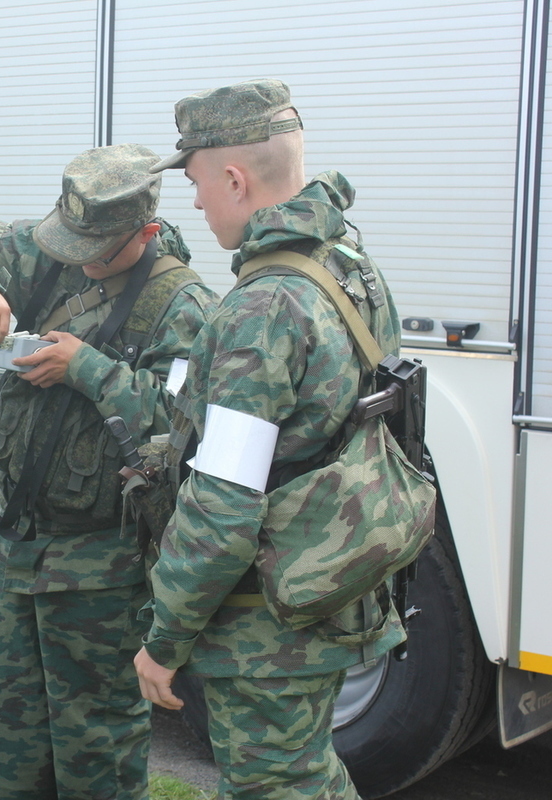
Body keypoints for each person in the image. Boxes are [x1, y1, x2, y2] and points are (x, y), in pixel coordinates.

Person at [133, 79, 406, 799]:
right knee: (304, 777)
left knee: (275, 786)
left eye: (195, 183)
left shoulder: (263, 307)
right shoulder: (347, 264)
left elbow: (224, 501)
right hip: (331, 588)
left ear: (233, 178)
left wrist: (164, 641)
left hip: (267, 628)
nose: (194, 203)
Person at [0, 143, 217, 800]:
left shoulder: (182, 305)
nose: (78, 254)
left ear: (143, 232)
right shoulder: (56, 260)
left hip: (101, 571)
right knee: (6, 725)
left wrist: (88, 370)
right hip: (18, 549)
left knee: (96, 747)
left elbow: (183, 433)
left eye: (96, 246)